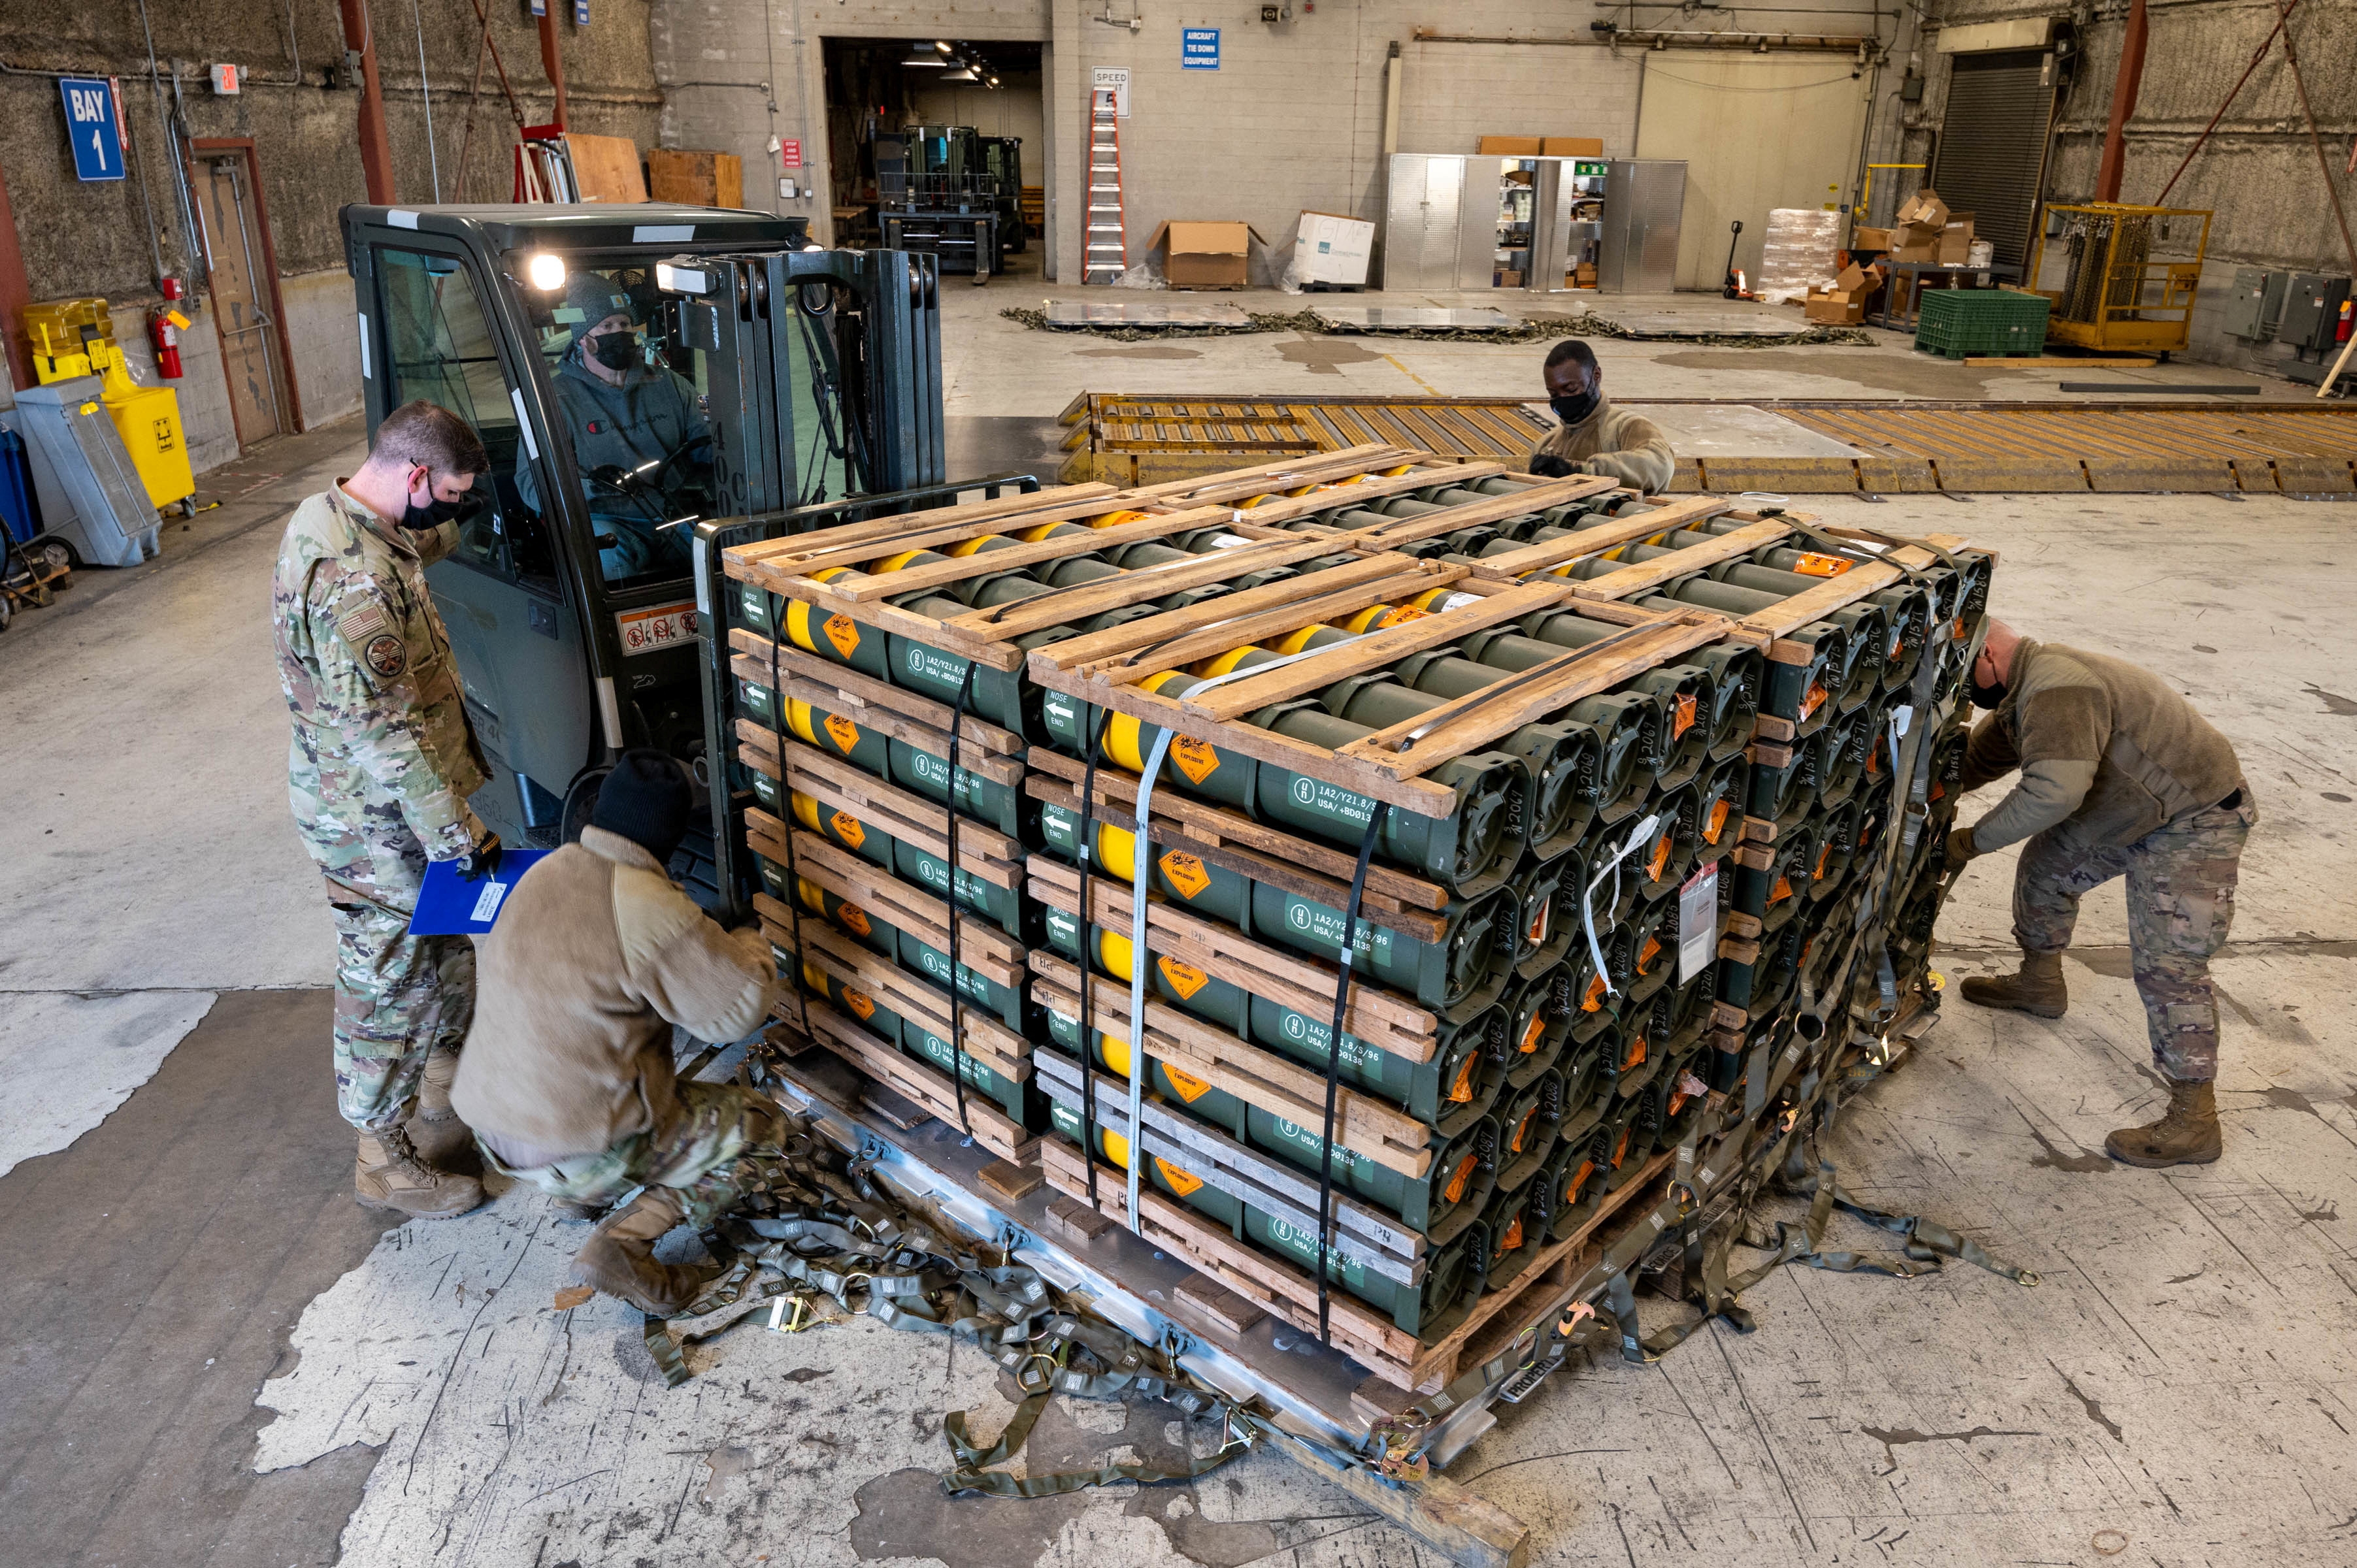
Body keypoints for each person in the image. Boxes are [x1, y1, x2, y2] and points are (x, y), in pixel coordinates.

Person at [452, 750, 782, 1311]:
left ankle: (578, 1195)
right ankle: (621, 1244)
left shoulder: (544, 871)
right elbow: (735, 1015)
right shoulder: (645, 904)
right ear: (669, 836)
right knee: (761, 1128)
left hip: (493, 1127)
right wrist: (751, 943)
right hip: (575, 1144)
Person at [272, 399, 499, 1218]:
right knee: (387, 984)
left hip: (398, 812)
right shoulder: (350, 583)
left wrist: (469, 516)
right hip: (370, 826)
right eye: (446, 492)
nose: (447, 507)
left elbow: (420, 539)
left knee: (447, 954)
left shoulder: (346, 516)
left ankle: (443, 1092)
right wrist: (455, 833)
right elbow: (385, 734)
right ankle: (382, 1157)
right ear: (412, 475)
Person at [1946, 619, 2253, 1168]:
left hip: (2193, 818)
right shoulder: (2024, 690)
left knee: (2169, 965)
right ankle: (2039, 984)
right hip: (2129, 808)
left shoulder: (2060, 690)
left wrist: (1968, 842)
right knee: (2044, 872)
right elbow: (1977, 762)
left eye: (1963, 673)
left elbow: (2052, 795)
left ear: (1988, 655)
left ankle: (2194, 1120)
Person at [516, 270, 712, 582]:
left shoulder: (668, 384)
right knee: (613, 561)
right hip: (607, 519)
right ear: (583, 340)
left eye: (624, 324)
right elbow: (530, 484)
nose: (618, 333)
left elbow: (704, 444)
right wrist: (592, 487)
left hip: (671, 511)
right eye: (606, 326)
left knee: (725, 553)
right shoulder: (551, 400)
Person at [1524, 339, 1676, 494]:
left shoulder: (1627, 426)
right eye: (1553, 394)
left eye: (1571, 389)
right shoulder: (1547, 445)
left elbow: (1661, 466)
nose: (1563, 399)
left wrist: (1583, 472)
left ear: (1596, 375)